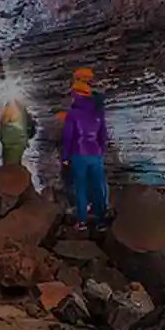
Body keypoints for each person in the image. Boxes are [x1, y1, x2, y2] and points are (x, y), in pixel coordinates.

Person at [59, 66, 111, 232]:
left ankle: (81, 221)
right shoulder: (98, 111)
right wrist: (101, 151)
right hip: (96, 154)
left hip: (79, 154)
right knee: (97, 187)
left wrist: (66, 156)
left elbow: (68, 137)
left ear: (77, 95)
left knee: (80, 187)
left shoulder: (73, 114)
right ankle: (101, 221)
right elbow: (103, 134)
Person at [0, 97, 35, 168]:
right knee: (16, 165)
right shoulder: (21, 107)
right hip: (21, 140)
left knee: (10, 167)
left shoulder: (11, 106)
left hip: (12, 142)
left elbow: (4, 121)